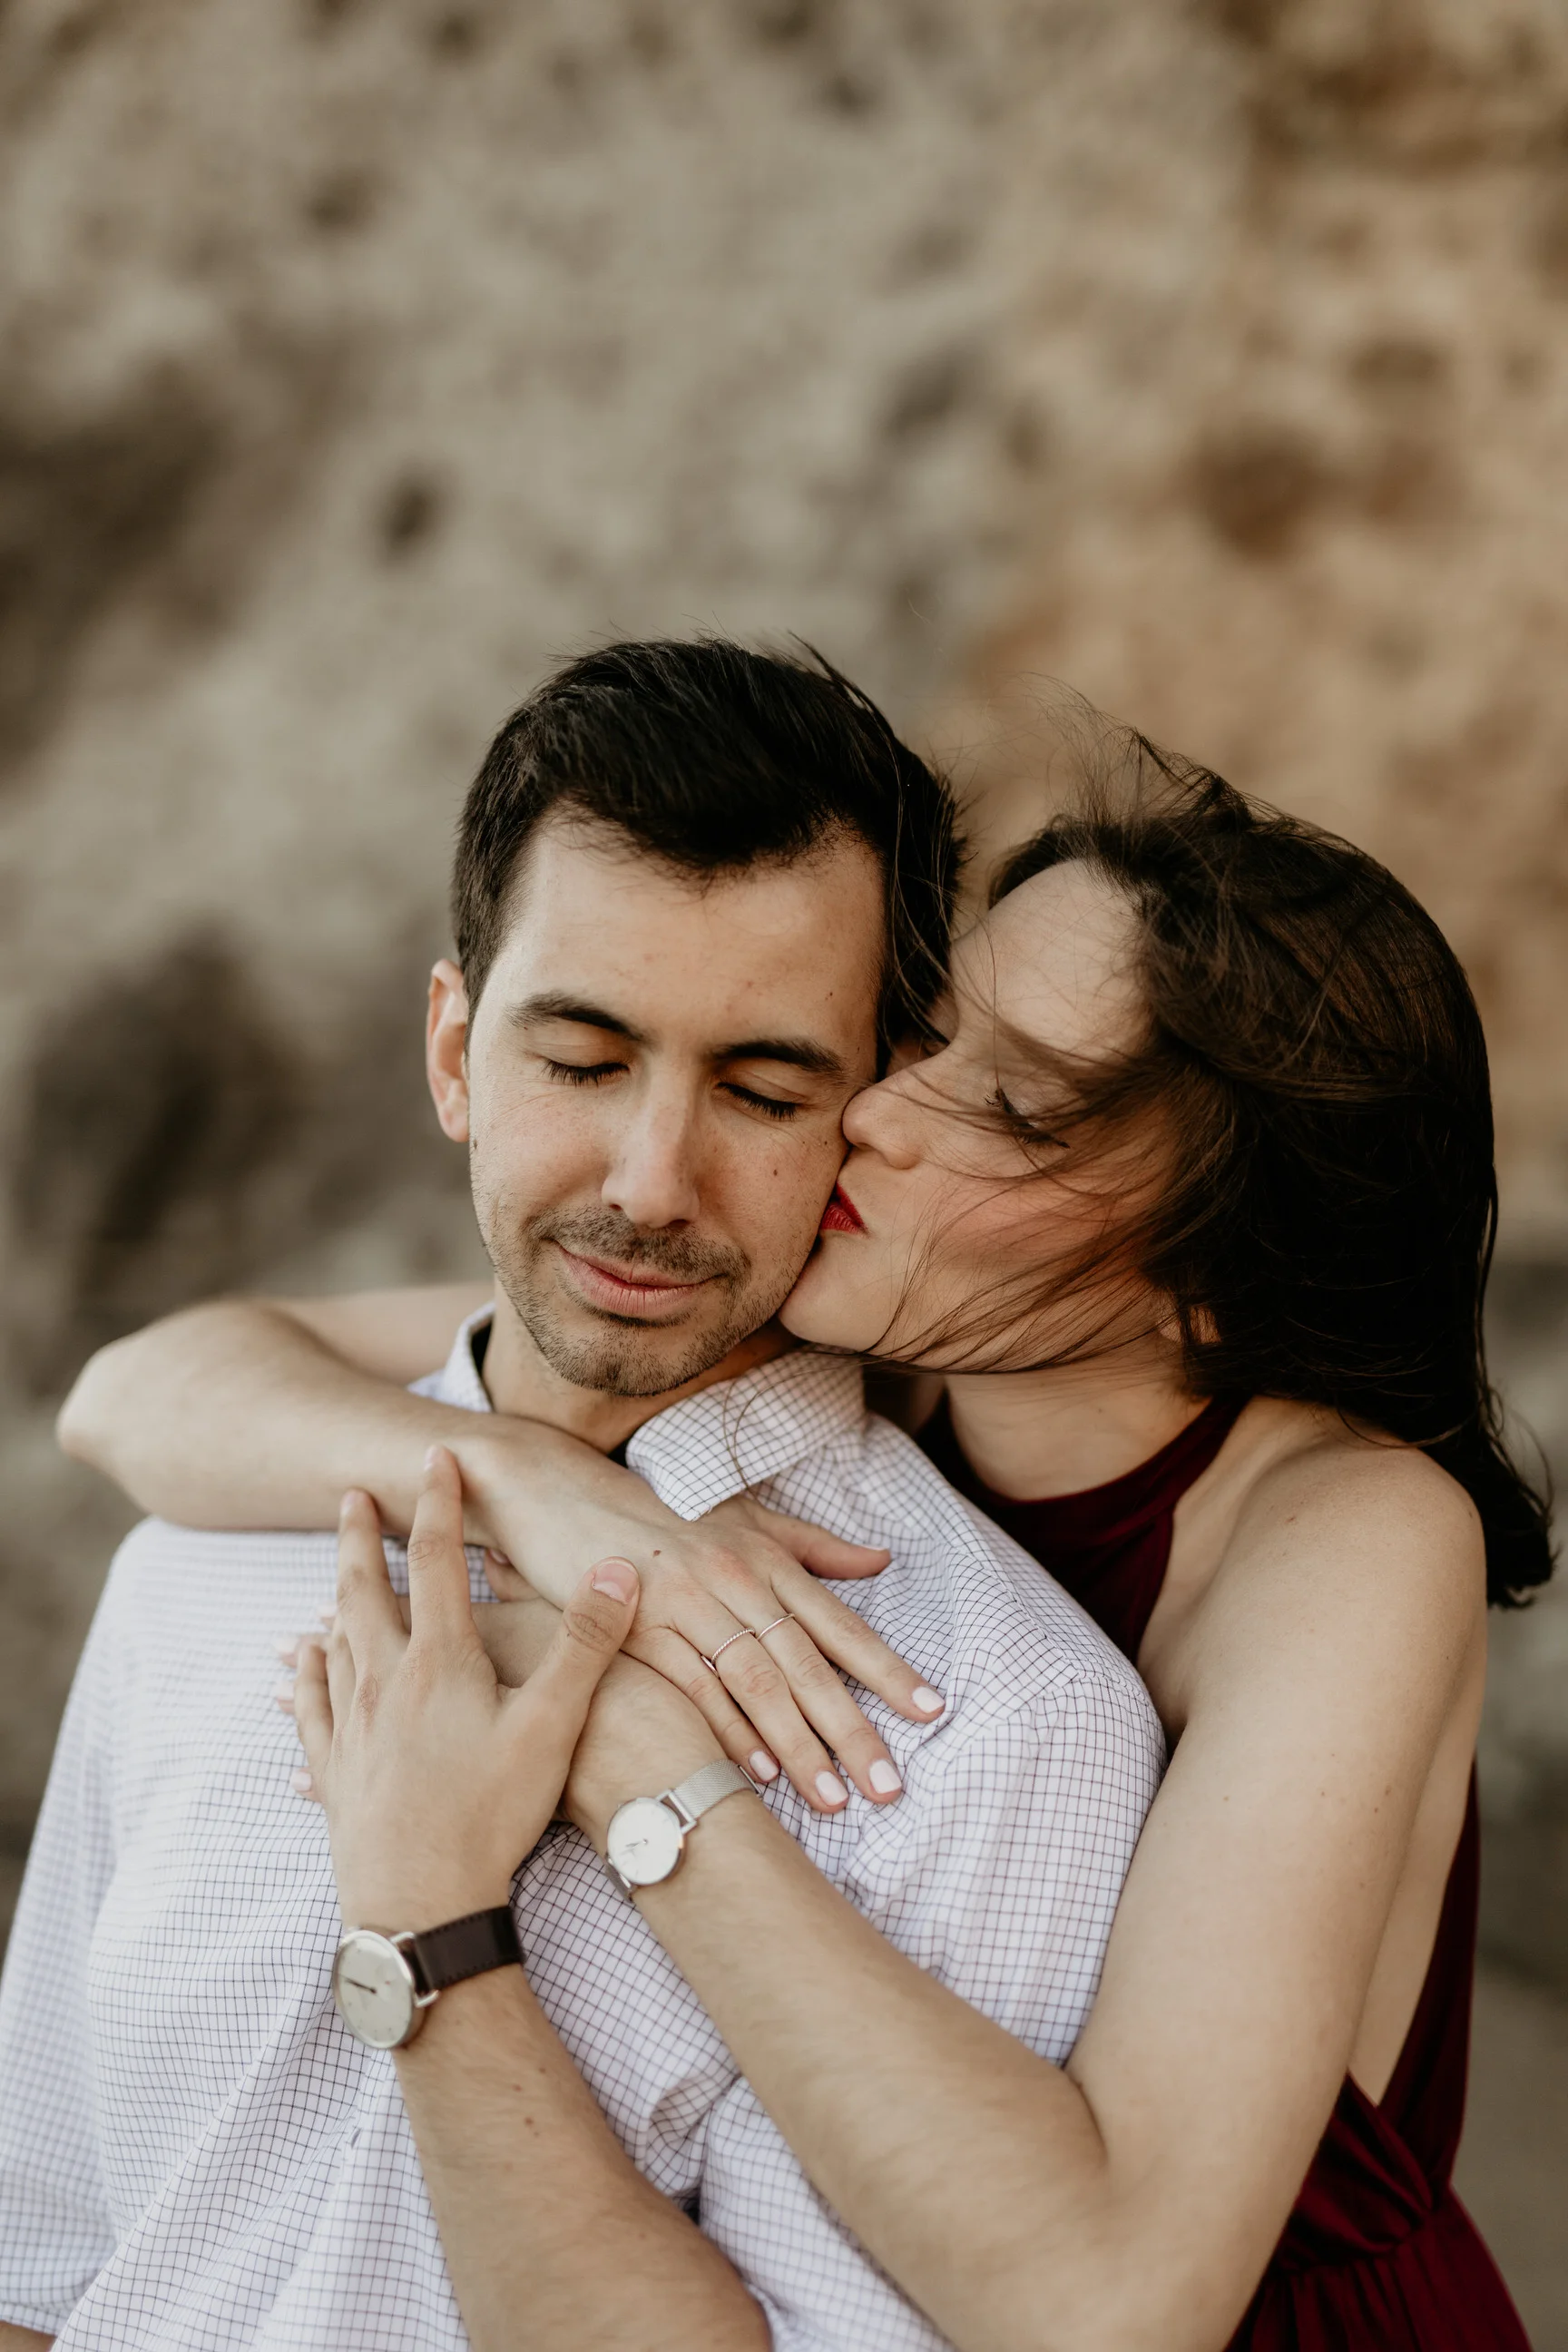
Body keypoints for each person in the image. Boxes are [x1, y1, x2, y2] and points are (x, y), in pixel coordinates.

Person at [62, 722, 1550, 2350]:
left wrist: (628, 1732)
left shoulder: (1349, 1537)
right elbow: (152, 1387)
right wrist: (537, 1488)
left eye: (1011, 1109)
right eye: (925, 1038)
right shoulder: (875, 1352)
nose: (878, 1116)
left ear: (1216, 1267)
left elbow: (1116, 2298)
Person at [0, 642, 1165, 2352]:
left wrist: (439, 1933)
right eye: (582, 1058)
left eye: (765, 1090)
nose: (650, 1183)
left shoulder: (996, 1722)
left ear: (878, 1110)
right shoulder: (200, 1560)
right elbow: (39, 2267)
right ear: (456, 1052)